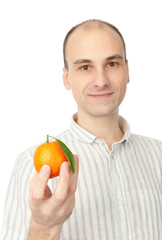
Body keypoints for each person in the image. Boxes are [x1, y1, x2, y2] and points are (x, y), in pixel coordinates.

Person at [0, 19, 161, 240]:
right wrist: (43, 227)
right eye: (85, 67)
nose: (101, 81)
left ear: (127, 70)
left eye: (112, 64)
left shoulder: (158, 155)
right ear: (67, 78)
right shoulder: (32, 164)